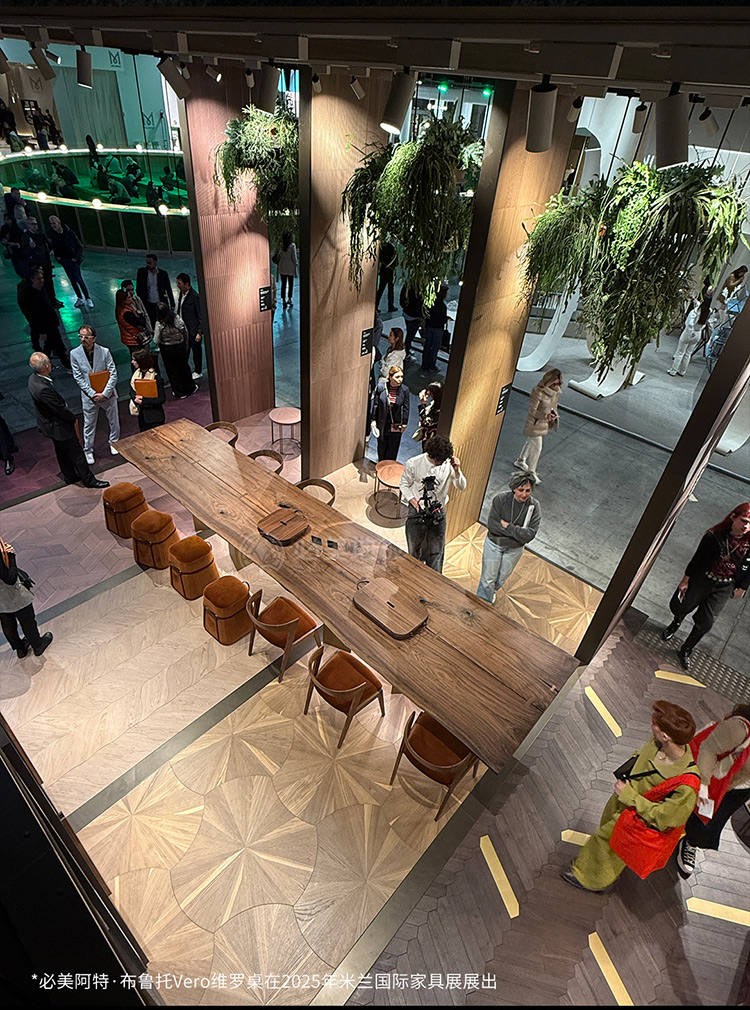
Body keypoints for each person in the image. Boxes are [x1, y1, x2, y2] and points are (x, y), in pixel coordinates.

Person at [562, 700, 699, 893]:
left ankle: (589, 879)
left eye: (655, 724)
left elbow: (666, 818)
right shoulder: (657, 741)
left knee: (607, 845)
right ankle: (592, 870)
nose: (652, 725)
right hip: (621, 800)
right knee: (608, 840)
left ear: (666, 736)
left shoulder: (687, 784)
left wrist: (630, 796)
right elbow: (641, 756)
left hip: (637, 818)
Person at [662, 503, 750, 670]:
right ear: (733, 517)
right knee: (682, 606)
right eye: (744, 521)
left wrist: (743, 586)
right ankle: (676, 622)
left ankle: (686, 649)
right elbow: (697, 559)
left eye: (749, 523)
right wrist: (685, 580)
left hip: (725, 585)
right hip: (704, 578)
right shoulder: (714, 536)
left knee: (706, 622)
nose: (746, 526)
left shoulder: (748, 543)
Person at [676, 703, 750, 879]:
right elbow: (708, 749)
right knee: (688, 810)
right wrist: (703, 783)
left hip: (739, 788)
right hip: (713, 778)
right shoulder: (739, 728)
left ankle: (690, 842)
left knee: (708, 823)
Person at [27, 352, 109, 489]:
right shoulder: (43, 389)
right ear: (46, 366)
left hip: (49, 425)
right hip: (58, 426)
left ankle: (70, 475)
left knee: (62, 452)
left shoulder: (33, 379)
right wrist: (73, 418)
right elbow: (59, 409)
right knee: (77, 453)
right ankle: (89, 480)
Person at [400, 435, 466, 573]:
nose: (439, 463)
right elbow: (404, 484)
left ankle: (434, 580)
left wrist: (457, 470)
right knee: (413, 548)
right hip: (417, 510)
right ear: (431, 455)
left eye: (442, 460)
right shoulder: (414, 463)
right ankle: (413, 575)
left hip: (438, 511)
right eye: (437, 460)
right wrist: (413, 500)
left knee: (436, 551)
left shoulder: (448, 465)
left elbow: (462, 486)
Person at [476, 472, 541, 602]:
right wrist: (518, 533)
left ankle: (490, 594)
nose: (524, 494)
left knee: (501, 579)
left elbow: (530, 534)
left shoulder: (534, 506)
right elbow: (493, 526)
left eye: (528, 490)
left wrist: (509, 527)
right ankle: (483, 602)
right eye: (521, 490)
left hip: (514, 549)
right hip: (494, 544)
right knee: (488, 579)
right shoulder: (500, 500)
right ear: (514, 488)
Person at [70, 324, 120, 465]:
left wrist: (105, 393)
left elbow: (113, 373)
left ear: (94, 338)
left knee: (113, 420)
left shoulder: (104, 351)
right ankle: (88, 450)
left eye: (86, 337)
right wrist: (92, 393)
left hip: (107, 394)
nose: (83, 339)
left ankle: (114, 442)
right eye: (80, 336)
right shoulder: (74, 354)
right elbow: (78, 377)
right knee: (89, 424)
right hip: (89, 397)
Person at [0, 538, 53, 658]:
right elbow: (10, 578)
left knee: (8, 625)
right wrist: (11, 555)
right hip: (12, 594)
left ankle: (20, 649)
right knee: (27, 621)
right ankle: (38, 645)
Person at [514, 368, 563, 484]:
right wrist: (545, 416)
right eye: (554, 383)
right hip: (534, 423)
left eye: (558, 383)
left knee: (530, 442)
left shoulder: (555, 393)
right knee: (537, 448)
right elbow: (532, 411)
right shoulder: (538, 392)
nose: (556, 386)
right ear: (548, 381)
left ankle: (520, 460)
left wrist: (553, 415)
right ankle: (531, 472)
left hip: (544, 424)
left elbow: (553, 407)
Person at [17, 267, 71, 369]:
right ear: (32, 280)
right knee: (53, 343)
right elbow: (30, 313)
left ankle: (57, 361)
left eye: (42, 278)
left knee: (53, 343)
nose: (41, 280)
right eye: (38, 279)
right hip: (42, 323)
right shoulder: (28, 295)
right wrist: (40, 330)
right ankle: (61, 362)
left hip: (50, 321)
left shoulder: (41, 288)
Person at [47, 216, 92, 309]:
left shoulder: (69, 233)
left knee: (78, 279)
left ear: (59, 223)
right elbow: (55, 246)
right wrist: (58, 258)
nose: (53, 225)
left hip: (72, 260)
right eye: (51, 224)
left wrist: (75, 258)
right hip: (64, 260)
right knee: (72, 280)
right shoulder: (54, 235)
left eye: (54, 223)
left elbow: (79, 246)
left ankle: (88, 298)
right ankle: (80, 298)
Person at [154, 302, 195, 398]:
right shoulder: (176, 318)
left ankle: (179, 392)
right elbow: (184, 330)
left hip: (167, 349)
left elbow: (156, 339)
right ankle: (190, 388)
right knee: (184, 367)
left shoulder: (159, 323)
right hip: (180, 346)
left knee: (172, 371)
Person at [668, 291, 714, 377]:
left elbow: (689, 323)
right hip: (697, 333)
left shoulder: (695, 312)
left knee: (680, 352)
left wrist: (690, 330)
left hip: (689, 332)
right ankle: (682, 371)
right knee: (688, 354)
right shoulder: (708, 312)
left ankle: (673, 370)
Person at [371, 366, 410, 462]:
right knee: (382, 445)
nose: (400, 379)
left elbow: (406, 408)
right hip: (382, 420)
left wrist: (404, 423)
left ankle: (389, 467)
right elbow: (375, 404)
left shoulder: (404, 390)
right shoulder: (381, 387)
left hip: (396, 422)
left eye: (401, 377)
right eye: (397, 377)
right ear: (390, 377)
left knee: (393, 447)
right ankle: (381, 464)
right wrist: (373, 420)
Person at [19, 217, 60, 303]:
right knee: (41, 282)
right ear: (28, 225)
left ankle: (52, 299)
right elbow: (24, 252)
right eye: (32, 224)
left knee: (49, 281)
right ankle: (46, 300)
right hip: (36, 263)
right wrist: (30, 247)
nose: (35, 226)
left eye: (36, 224)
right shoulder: (26, 237)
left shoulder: (41, 234)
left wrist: (51, 249)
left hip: (46, 261)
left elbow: (48, 244)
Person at [130, 348, 166, 431]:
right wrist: (135, 398)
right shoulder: (136, 375)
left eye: (134, 360)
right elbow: (132, 390)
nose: (132, 362)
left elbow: (161, 399)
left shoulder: (156, 378)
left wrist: (143, 400)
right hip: (142, 415)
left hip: (154, 416)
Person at [176, 273, 203, 379]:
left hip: (193, 330)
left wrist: (199, 332)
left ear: (186, 284)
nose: (178, 285)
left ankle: (198, 371)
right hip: (184, 330)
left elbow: (200, 315)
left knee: (196, 351)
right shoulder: (181, 294)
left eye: (180, 283)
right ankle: (183, 371)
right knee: (184, 351)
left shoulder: (195, 297)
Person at [136, 253, 174, 326]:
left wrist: (172, 303)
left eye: (150, 263)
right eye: (147, 263)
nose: (148, 265)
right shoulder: (141, 272)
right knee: (151, 322)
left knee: (163, 322)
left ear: (155, 262)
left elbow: (168, 289)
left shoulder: (163, 274)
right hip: (148, 303)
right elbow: (139, 288)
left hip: (159, 302)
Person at [115, 284, 151, 355]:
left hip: (129, 339)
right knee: (139, 357)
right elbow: (141, 323)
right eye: (129, 298)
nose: (131, 299)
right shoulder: (127, 313)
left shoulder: (120, 310)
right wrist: (140, 314)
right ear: (124, 301)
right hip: (134, 341)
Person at [421, 284, 448, 373]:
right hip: (438, 329)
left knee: (427, 346)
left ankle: (425, 364)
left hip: (429, 326)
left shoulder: (431, 303)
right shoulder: (442, 306)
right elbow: (443, 320)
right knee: (435, 348)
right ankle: (432, 365)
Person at [400, 284, 423, 360]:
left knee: (409, 334)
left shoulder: (407, 285)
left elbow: (402, 299)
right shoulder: (419, 288)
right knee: (410, 335)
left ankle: (406, 350)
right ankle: (406, 353)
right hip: (414, 316)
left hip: (407, 313)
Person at [277, 232, 298, 308]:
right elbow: (294, 258)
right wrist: (296, 266)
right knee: (291, 284)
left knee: (283, 284)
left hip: (282, 268)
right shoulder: (292, 246)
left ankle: (283, 300)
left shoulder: (281, 246)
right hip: (290, 268)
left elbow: (278, 256)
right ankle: (289, 299)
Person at [376, 238, 397, 312]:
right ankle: (390, 306)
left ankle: (376, 306)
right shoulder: (393, 248)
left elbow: (380, 258)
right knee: (390, 289)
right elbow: (395, 261)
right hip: (390, 271)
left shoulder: (382, 246)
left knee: (381, 289)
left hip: (383, 270)